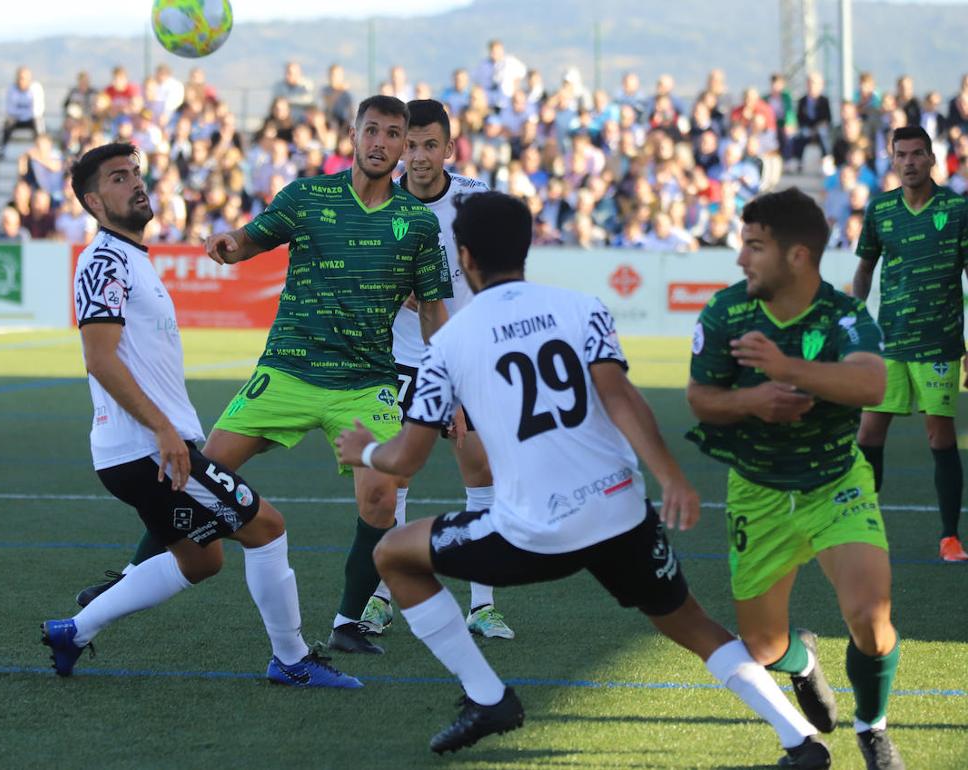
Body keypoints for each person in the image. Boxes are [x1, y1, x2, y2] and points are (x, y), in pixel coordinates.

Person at [336, 191, 830, 766]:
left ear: (465, 256)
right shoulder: (582, 306)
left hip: (533, 530)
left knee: (394, 553)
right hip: (620, 510)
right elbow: (620, 397)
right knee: (692, 623)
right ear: (528, 248)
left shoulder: (448, 343)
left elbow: (408, 459)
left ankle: (488, 697)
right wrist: (671, 477)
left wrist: (365, 451)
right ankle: (800, 740)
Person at [76, 96, 454, 656]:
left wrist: (452, 380)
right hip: (286, 371)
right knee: (201, 472)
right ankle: (129, 578)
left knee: (381, 499)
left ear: (403, 147)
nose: (380, 142)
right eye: (370, 130)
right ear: (353, 136)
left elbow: (432, 313)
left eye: (392, 134)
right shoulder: (308, 196)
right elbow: (255, 236)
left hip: (365, 382)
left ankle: (349, 622)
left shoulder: (418, 224)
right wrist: (232, 247)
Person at [40, 142, 361, 690]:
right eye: (119, 178)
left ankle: (75, 630)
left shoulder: (130, 257)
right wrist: (165, 429)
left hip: (143, 449)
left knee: (201, 561)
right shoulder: (104, 261)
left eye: (136, 173)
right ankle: (291, 659)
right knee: (268, 528)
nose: (136, 183)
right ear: (94, 202)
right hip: (147, 450)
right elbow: (99, 358)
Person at [687, 187, 904, 770]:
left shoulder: (843, 315)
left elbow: (872, 385)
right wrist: (753, 398)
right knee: (760, 647)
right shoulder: (727, 311)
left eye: (754, 247)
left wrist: (786, 369)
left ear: (798, 256)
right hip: (755, 492)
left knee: (871, 618)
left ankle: (872, 726)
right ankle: (803, 662)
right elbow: (701, 398)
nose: (740, 259)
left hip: (836, 483)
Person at [358, 99, 512, 641]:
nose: (419, 157)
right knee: (392, 482)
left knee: (481, 474)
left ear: (449, 148)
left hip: (469, 360)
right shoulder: (380, 205)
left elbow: (500, 277)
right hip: (402, 362)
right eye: (411, 145)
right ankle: (384, 594)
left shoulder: (475, 201)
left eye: (430, 145)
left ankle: (483, 604)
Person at [852, 125, 968, 562]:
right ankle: (862, 529)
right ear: (893, 159)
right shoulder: (881, 209)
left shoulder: (957, 209)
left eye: (918, 154)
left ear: (931, 158)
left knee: (939, 436)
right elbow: (865, 270)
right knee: (869, 430)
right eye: (901, 155)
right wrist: (853, 318)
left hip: (939, 342)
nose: (910, 162)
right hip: (890, 341)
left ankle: (950, 538)